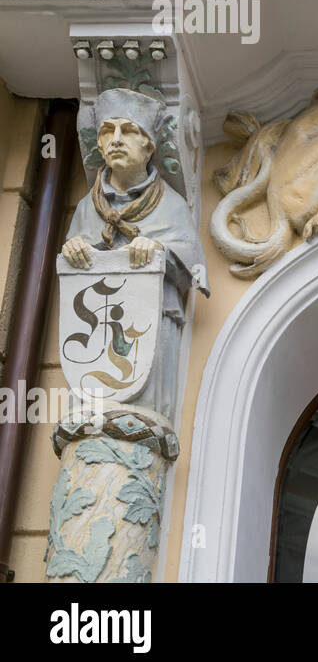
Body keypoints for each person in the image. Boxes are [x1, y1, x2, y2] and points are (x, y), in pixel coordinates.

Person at [60, 89, 208, 421]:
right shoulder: (88, 207)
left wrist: (159, 249)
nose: (115, 139)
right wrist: (74, 249)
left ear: (149, 145)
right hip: (93, 326)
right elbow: (70, 270)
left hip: (149, 327)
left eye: (128, 131)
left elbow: (191, 270)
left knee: (143, 414)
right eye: (107, 132)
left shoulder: (171, 205)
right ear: (99, 146)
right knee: (88, 412)